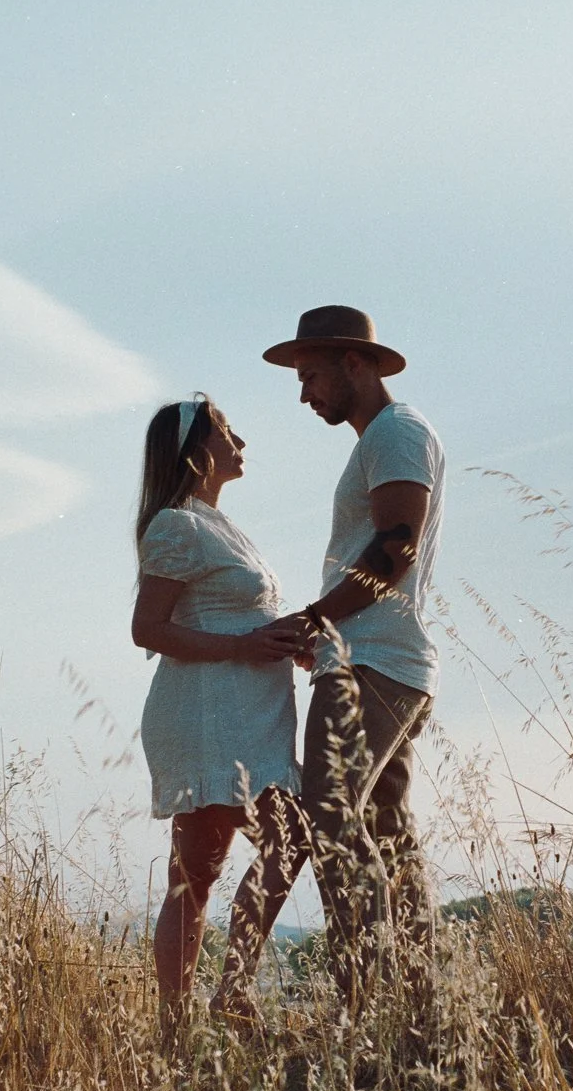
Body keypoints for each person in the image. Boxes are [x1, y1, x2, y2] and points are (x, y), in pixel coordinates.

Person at [261, 305, 446, 1036]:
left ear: (354, 363)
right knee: (387, 829)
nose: (305, 394)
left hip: (372, 661)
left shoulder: (397, 433)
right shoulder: (384, 438)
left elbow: (396, 545)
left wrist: (319, 617)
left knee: (330, 817)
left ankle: (367, 1006)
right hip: (383, 660)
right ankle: (422, 1008)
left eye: (310, 375)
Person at [131, 395, 313, 1041]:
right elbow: (146, 628)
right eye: (228, 428)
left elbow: (238, 614)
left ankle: (226, 996)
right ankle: (188, 1020)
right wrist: (243, 646)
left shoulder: (218, 525)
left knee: (277, 845)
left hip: (254, 713)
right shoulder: (175, 525)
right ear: (198, 450)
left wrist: (288, 639)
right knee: (199, 876)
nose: (242, 436)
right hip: (210, 715)